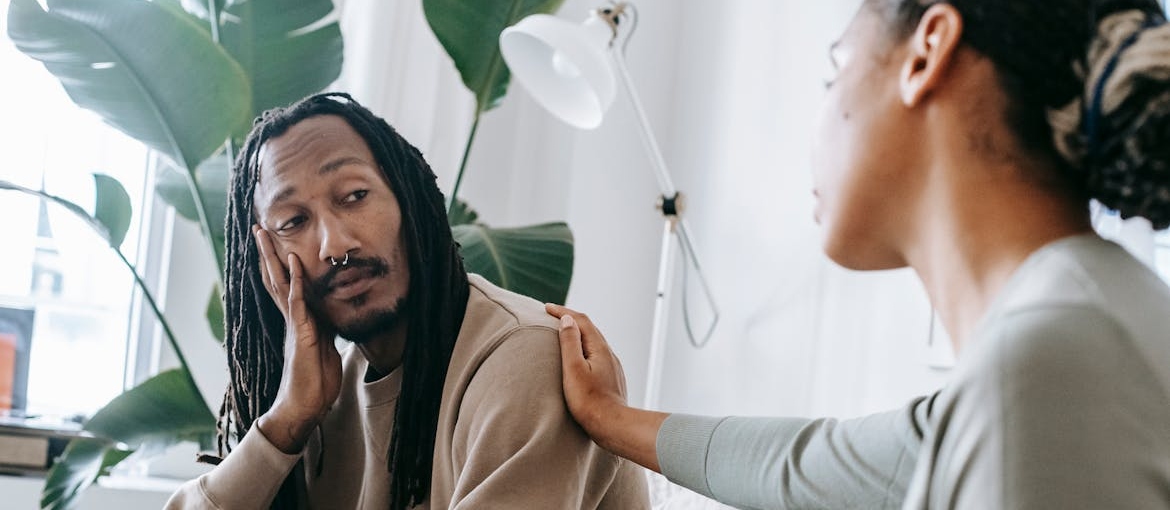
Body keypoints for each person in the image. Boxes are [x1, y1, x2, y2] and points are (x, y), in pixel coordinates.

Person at [548, 0, 1170, 508]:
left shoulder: (1049, 359)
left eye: (833, 71)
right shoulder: (1084, 319)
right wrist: (608, 415)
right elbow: (803, 466)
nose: (816, 121)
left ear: (926, 53)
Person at [165, 92, 649, 509]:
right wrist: (285, 421)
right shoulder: (317, 395)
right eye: (293, 222)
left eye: (354, 195)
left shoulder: (524, 358)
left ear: (408, 198)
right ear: (267, 261)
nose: (335, 245)